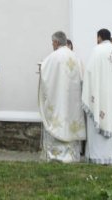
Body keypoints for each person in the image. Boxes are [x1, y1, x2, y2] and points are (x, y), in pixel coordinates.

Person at [81, 28, 112, 165]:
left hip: (102, 97)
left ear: (99, 37)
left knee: (100, 117)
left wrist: (88, 92)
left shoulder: (97, 51)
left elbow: (89, 73)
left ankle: (101, 156)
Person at [37, 30, 85, 163]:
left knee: (57, 121)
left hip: (57, 100)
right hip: (72, 102)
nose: (52, 45)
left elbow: (44, 75)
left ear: (56, 42)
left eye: (53, 42)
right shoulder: (76, 58)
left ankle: (55, 155)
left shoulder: (52, 58)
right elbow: (82, 78)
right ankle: (72, 156)